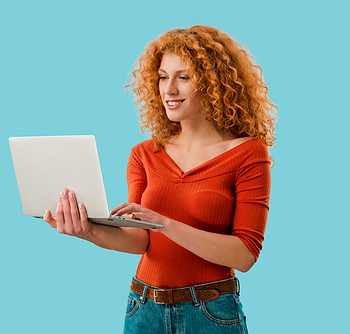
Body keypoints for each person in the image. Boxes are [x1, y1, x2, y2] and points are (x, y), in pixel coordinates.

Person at [43, 25, 276, 334]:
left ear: (214, 82)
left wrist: (165, 223)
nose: (169, 90)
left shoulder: (248, 153)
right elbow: (140, 239)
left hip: (210, 312)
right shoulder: (144, 154)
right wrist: (87, 231)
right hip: (143, 308)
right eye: (163, 77)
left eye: (184, 77)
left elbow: (244, 254)